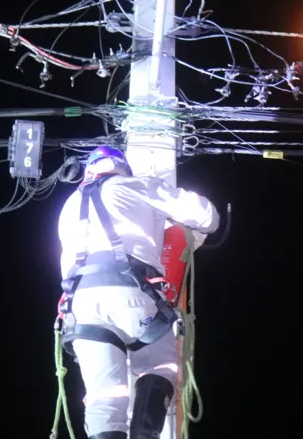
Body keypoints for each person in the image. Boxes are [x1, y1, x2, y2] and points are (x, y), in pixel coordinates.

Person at [56, 146, 219, 439]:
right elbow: (207, 216)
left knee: (104, 396)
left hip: (80, 306)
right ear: (121, 167)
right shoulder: (137, 185)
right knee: (160, 366)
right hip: (132, 293)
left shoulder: (69, 205)